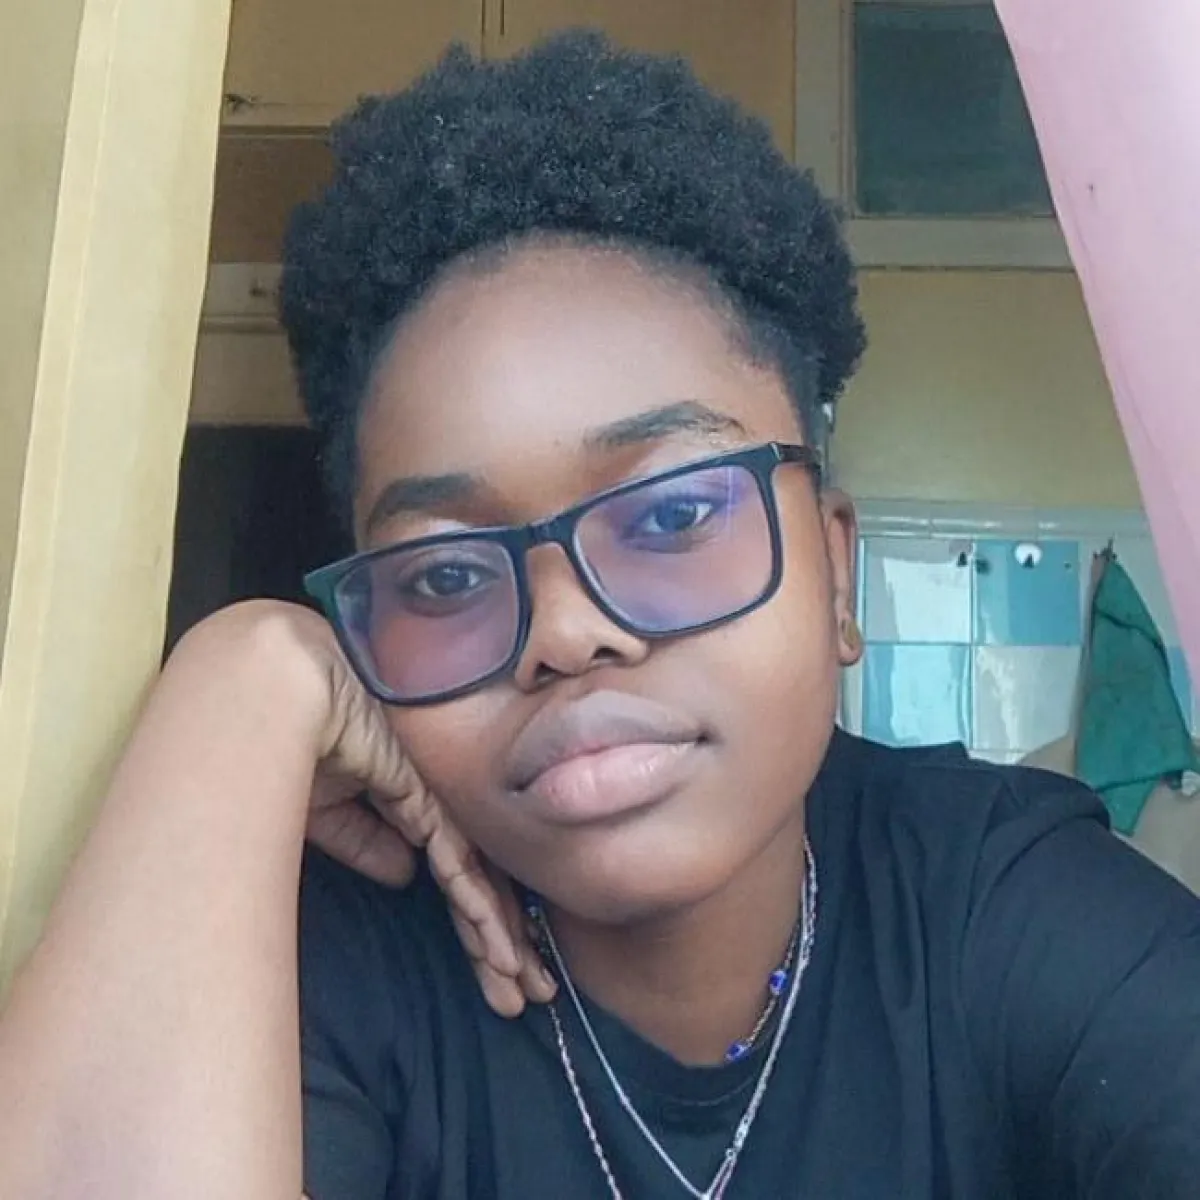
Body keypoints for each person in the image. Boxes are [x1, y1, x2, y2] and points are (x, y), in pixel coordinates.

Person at [1, 31, 1198, 1200]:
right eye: (446, 576)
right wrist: (240, 677)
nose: (566, 634)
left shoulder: (1003, 908)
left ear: (836, 575)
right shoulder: (335, 967)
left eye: (672, 516)